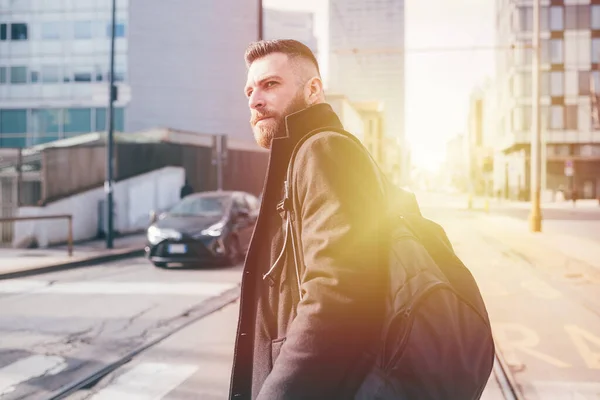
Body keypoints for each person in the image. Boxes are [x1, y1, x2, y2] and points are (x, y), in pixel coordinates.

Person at [230, 39, 387, 400]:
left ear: (313, 90)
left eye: (270, 85)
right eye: (250, 90)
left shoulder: (322, 149)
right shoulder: (301, 155)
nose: (255, 100)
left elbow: (336, 295)